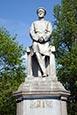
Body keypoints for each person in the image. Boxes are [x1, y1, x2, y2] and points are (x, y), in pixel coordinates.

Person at [29, 8, 54, 77]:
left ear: (44, 13)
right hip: (36, 42)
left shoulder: (48, 23)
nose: (40, 12)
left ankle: (43, 72)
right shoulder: (34, 23)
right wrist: (37, 38)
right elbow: (31, 32)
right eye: (39, 12)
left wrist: (43, 38)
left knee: (43, 55)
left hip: (45, 42)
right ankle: (44, 72)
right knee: (37, 53)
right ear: (37, 14)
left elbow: (50, 32)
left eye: (42, 11)